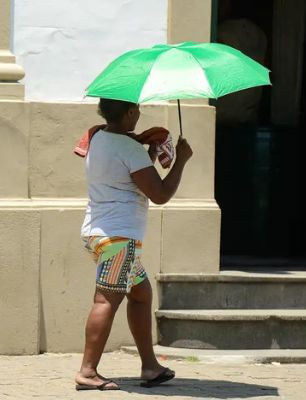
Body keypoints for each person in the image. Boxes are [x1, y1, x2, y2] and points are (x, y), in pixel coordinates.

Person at [75, 98, 193, 391]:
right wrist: (180, 160)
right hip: (119, 238)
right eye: (137, 109)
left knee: (140, 294)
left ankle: (150, 366)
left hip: (99, 232)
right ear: (129, 113)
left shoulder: (98, 137)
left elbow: (126, 177)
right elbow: (160, 193)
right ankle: (88, 372)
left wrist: (149, 155)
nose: (140, 113)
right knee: (106, 300)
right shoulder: (128, 147)